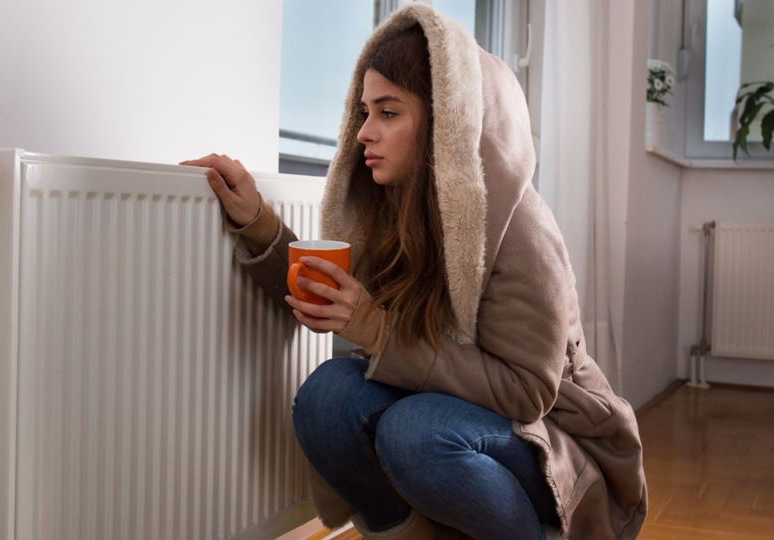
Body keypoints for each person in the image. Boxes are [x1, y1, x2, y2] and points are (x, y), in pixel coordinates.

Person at [180, 4, 646, 540]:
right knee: (328, 397)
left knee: (416, 432)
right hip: (452, 411)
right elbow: (338, 298)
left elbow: (525, 394)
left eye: (389, 112)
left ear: (447, 121)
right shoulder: (393, 208)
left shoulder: (521, 229)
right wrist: (257, 222)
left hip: (550, 437)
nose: (363, 133)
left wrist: (376, 330)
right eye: (364, 112)